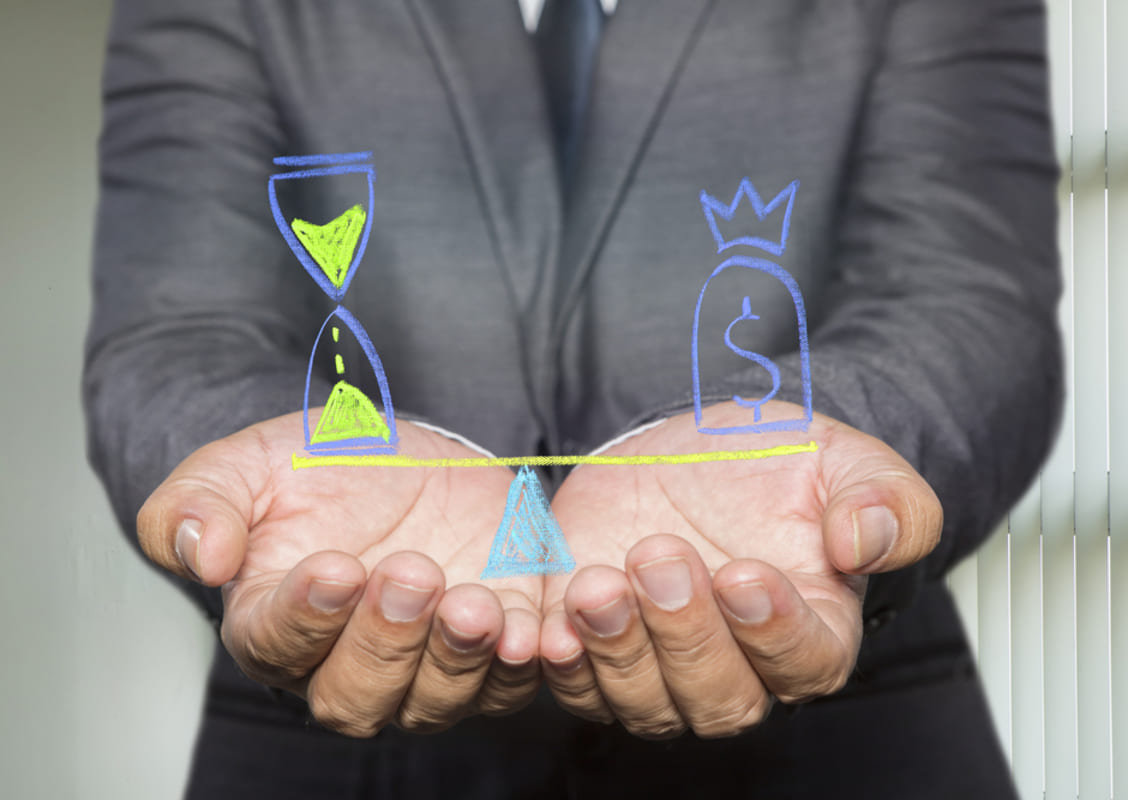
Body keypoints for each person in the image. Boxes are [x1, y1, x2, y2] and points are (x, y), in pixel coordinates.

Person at [84, 0, 1062, 796]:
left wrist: (818, 455)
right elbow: (178, 323)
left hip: (845, 730)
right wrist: (275, 481)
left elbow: (967, 289)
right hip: (332, 746)